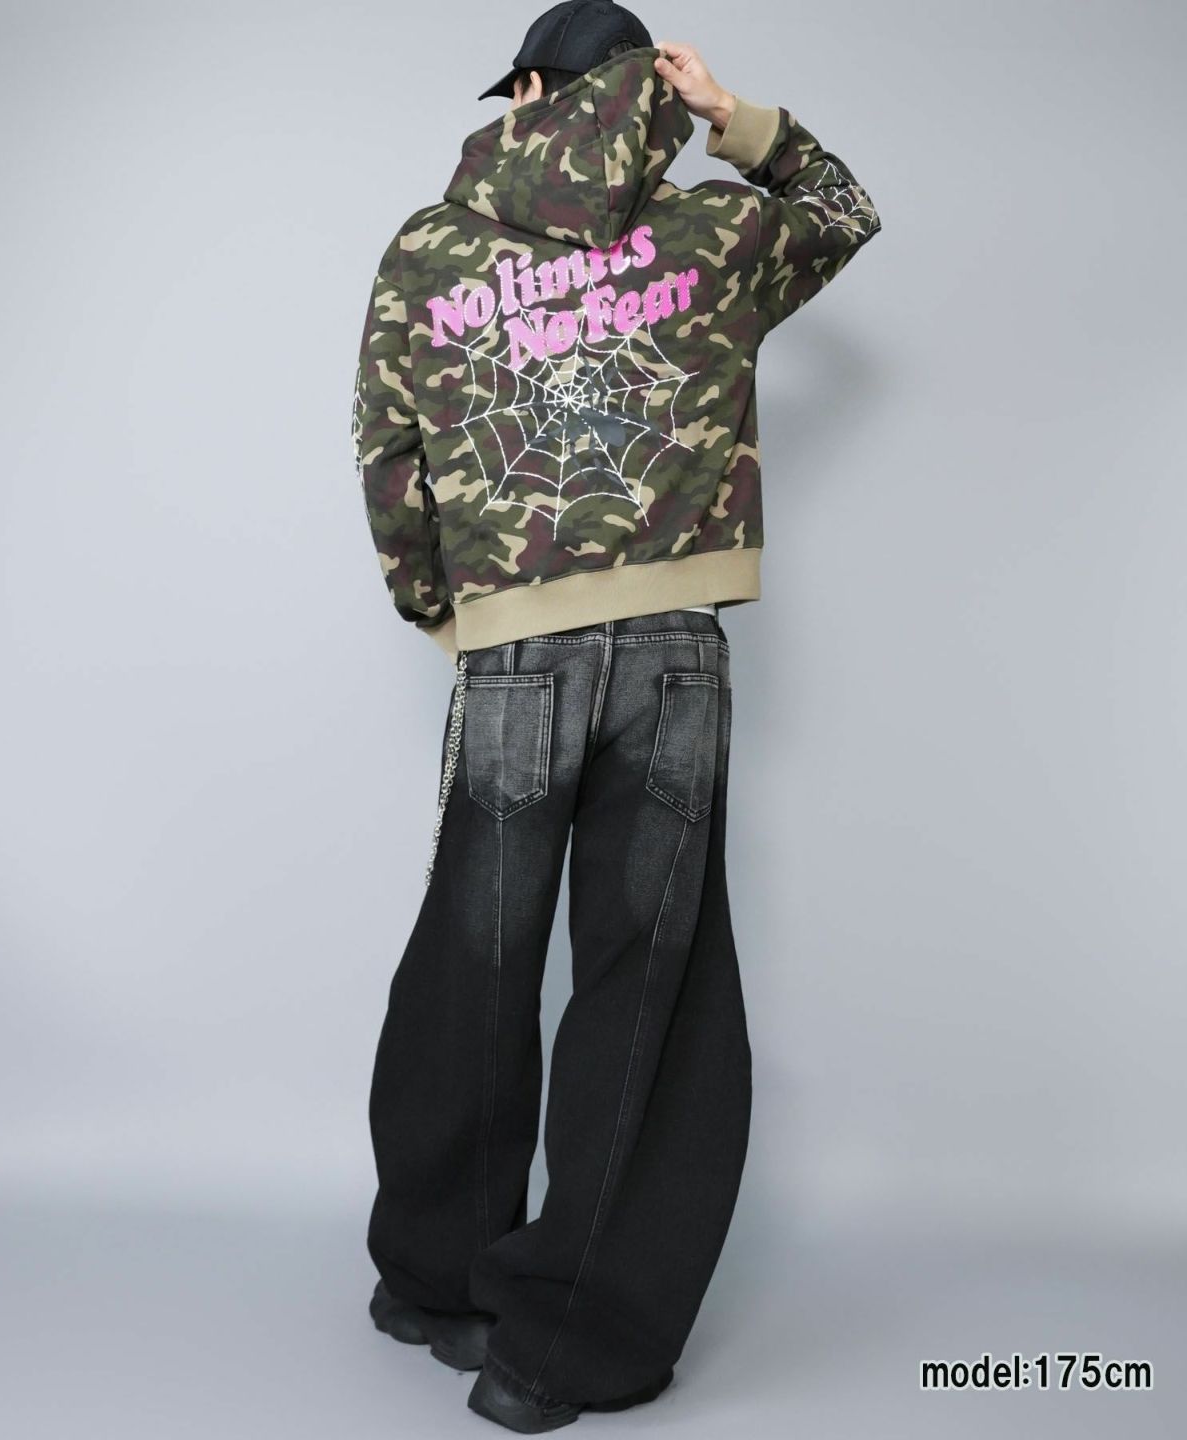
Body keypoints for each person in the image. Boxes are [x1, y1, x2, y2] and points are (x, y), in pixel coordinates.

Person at [349, 2, 881, 1430]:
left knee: (472, 966)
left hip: (512, 657)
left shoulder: (430, 247)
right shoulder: (719, 231)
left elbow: (388, 454)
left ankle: (441, 1288)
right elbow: (842, 208)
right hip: (674, 656)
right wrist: (731, 117)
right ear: (651, 93)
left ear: (527, 92)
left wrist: (448, 614)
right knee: (644, 988)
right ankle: (559, 1355)